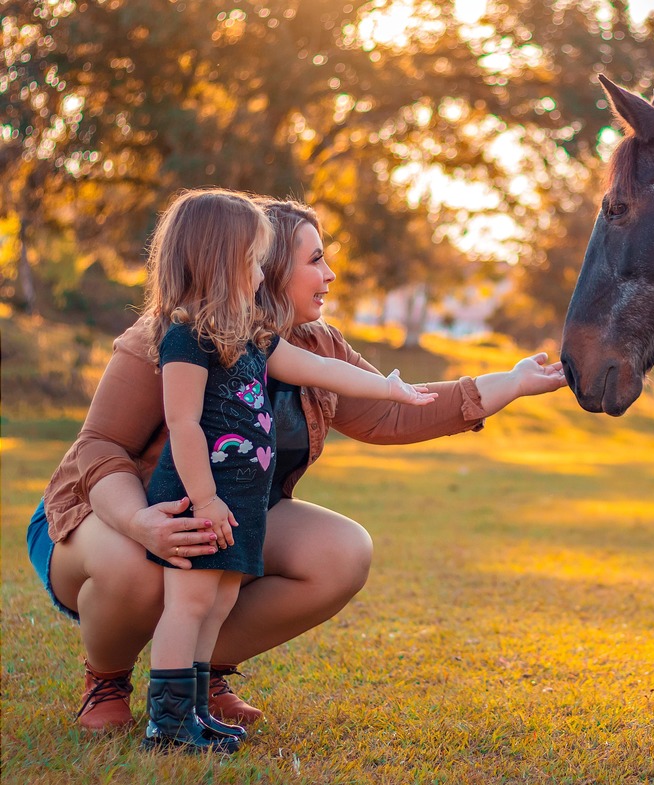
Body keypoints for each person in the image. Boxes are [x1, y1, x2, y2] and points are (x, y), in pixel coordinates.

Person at [26, 195, 567, 734]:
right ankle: (108, 680)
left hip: (226, 509)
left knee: (339, 551)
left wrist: (512, 383)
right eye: (315, 260)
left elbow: (391, 408)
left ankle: (200, 679)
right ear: (263, 265)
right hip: (102, 518)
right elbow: (100, 448)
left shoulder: (306, 343)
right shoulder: (171, 335)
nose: (329, 275)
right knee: (139, 567)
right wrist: (140, 522)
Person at [134, 189, 441, 753]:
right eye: (253, 258)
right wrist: (204, 500)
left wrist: (387, 387)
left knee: (219, 604)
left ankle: (196, 712)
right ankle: (168, 724)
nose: (260, 269)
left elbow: (319, 367)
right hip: (201, 503)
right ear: (220, 259)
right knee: (190, 603)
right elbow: (182, 425)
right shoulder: (187, 337)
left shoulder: (252, 335)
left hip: (242, 504)